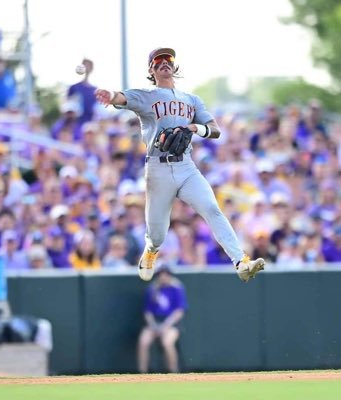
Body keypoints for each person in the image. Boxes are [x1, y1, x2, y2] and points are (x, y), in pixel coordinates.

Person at [95, 47, 265, 282]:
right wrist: (109, 95)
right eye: (158, 60)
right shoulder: (147, 95)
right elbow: (121, 97)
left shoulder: (192, 100)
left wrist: (195, 127)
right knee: (157, 233)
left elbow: (215, 130)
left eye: (168, 59)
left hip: (186, 166)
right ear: (151, 69)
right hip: (158, 167)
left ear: (174, 66)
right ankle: (151, 251)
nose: (164, 62)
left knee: (212, 209)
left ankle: (241, 262)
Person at [137, 264, 187, 373]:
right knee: (143, 341)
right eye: (160, 274)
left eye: (166, 274)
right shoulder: (152, 289)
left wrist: (165, 325)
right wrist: (154, 325)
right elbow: (147, 312)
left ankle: (173, 372)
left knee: (167, 342)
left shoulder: (176, 288)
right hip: (154, 323)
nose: (163, 277)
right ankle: (142, 373)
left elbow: (179, 312)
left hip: (171, 324)